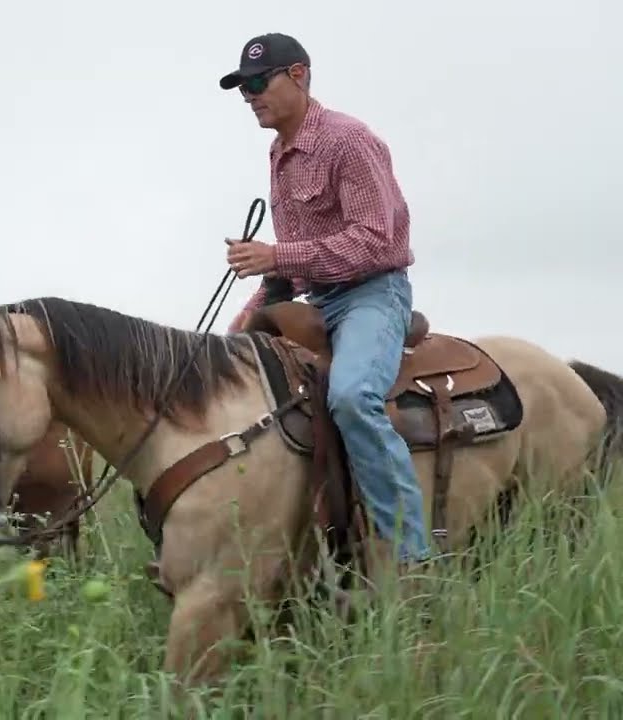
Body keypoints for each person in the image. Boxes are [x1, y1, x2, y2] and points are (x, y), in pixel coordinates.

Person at [218, 33, 432, 571]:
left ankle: (413, 558)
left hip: (372, 295)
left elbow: (376, 241)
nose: (249, 95)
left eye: (258, 83)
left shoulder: (348, 141)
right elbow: (287, 268)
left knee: (353, 396)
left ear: (298, 75)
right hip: (315, 300)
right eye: (243, 87)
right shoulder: (280, 153)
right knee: (227, 384)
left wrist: (277, 255)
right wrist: (248, 315)